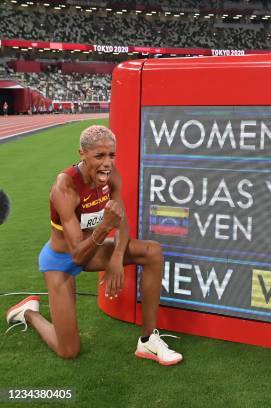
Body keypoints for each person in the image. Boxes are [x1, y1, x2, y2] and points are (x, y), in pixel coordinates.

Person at [5, 125, 182, 365]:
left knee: (153, 252)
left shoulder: (112, 175)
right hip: (61, 261)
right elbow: (77, 255)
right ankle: (28, 312)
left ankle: (148, 340)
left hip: (93, 250)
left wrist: (117, 259)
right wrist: (103, 227)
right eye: (99, 156)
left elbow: (122, 224)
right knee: (69, 351)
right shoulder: (64, 187)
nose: (107, 163)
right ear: (82, 154)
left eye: (111, 155)